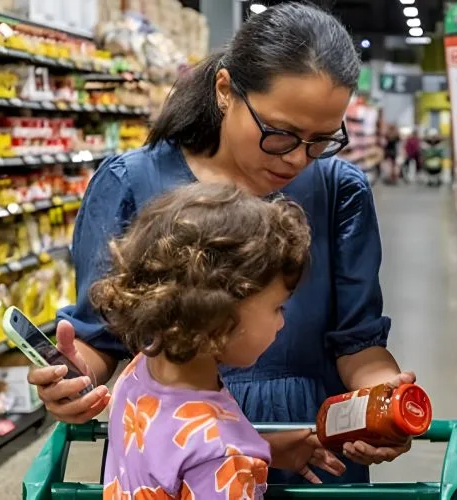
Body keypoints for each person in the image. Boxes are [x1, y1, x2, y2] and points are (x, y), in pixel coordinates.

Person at [25, 3, 413, 485]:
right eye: (280, 134)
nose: (296, 159)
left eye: (320, 140)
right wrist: (74, 379)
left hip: (311, 452)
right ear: (225, 90)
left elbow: (359, 343)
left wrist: (383, 402)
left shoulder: (338, 190)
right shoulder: (133, 182)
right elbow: (102, 336)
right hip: (176, 450)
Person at [94, 183, 345, 498]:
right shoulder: (222, 458)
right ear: (217, 315)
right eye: (276, 307)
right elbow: (207, 459)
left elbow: (174, 458)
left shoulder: (140, 372)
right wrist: (237, 456)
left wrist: (262, 448)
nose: (282, 321)